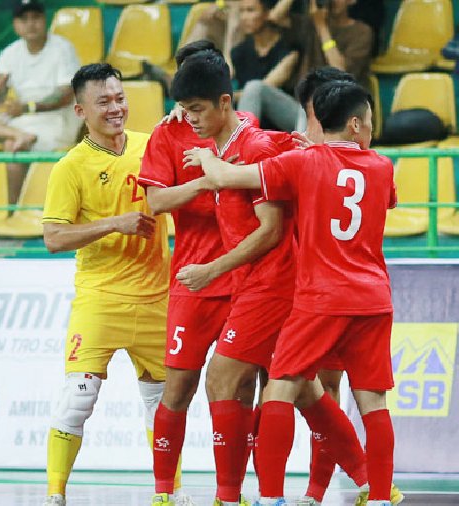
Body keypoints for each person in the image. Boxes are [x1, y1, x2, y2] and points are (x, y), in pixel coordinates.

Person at [184, 80, 397, 505]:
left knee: (280, 387)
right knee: (373, 400)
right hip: (373, 300)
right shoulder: (382, 166)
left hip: (321, 298)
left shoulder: (304, 162)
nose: (371, 130)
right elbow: (379, 200)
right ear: (355, 125)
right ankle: (377, 497)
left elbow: (226, 176)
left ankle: (270, 497)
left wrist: (207, 155)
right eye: (370, 123)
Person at [165, 50, 297, 506]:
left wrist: (211, 269)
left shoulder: (251, 147)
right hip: (253, 283)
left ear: (225, 102)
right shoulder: (221, 145)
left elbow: (272, 229)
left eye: (197, 110)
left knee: (223, 380)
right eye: (184, 111)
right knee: (305, 393)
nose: (190, 120)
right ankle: (369, 485)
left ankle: (233, 496)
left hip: (271, 282)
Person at [39, 63, 171, 506]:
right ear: (80, 110)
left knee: (163, 406)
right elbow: (54, 237)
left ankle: (165, 495)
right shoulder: (69, 168)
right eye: (104, 102)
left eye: (120, 98)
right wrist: (115, 224)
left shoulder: (151, 146)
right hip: (100, 299)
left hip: (158, 297)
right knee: (79, 398)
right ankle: (55, 495)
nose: (116, 108)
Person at [139, 41, 258, 506]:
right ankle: (164, 492)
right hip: (192, 279)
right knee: (180, 385)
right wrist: (208, 179)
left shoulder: (247, 129)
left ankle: (231, 493)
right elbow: (156, 202)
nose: (189, 111)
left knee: (242, 386)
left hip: (242, 278)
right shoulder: (167, 135)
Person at [290, 67, 403, 506]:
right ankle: (354, 485)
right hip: (325, 288)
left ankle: (320, 492)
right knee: (320, 391)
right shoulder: (301, 150)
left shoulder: (309, 156)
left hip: (323, 291)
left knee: (318, 388)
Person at [0, 0, 82, 204]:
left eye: (36, 18)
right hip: (24, 122)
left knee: (12, 146)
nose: (30, 24)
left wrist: (27, 107)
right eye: (24, 19)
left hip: (57, 120)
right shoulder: (10, 53)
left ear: (45, 20)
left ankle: (13, 209)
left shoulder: (62, 48)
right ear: (16, 25)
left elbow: (66, 95)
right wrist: (0, 93)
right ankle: (19, 135)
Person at [232, 0, 304, 132]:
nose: (244, 17)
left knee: (254, 88)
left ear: (267, 13)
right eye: (241, 11)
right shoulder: (239, 51)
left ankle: (240, 144)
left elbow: (264, 88)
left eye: (250, 10)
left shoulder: (288, 48)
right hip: (254, 117)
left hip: (289, 117)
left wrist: (225, 96)